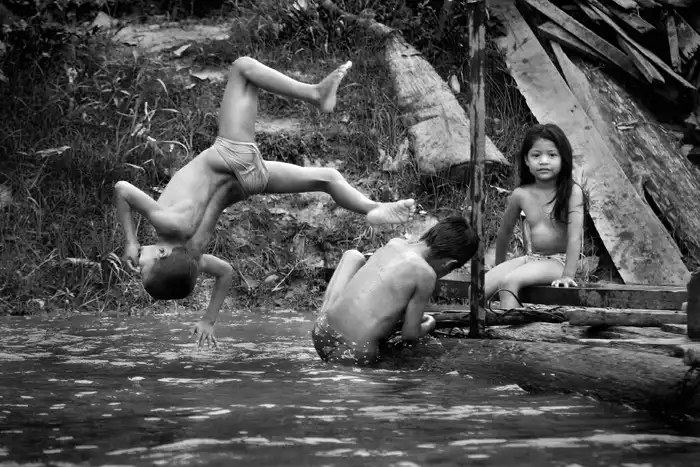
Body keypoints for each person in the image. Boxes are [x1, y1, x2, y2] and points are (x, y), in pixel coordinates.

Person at [114, 57, 417, 348]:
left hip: (247, 182)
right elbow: (123, 188)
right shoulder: (167, 224)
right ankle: (315, 93)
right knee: (242, 67)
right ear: (163, 253)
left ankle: (371, 207)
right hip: (231, 156)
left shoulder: (193, 256)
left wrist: (209, 319)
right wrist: (130, 241)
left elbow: (225, 273)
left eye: (139, 269)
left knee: (327, 178)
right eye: (143, 267)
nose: (137, 262)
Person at [311, 216, 479, 366]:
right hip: (353, 352)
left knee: (354, 256)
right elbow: (410, 334)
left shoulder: (395, 243)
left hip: (322, 332)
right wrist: (430, 323)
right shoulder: (426, 275)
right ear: (449, 264)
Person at [484, 123, 587, 310]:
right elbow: (505, 233)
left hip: (560, 261)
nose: (544, 161)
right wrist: (499, 265)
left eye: (552, 155)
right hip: (532, 258)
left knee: (508, 282)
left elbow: (574, 237)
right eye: (536, 155)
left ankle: (510, 328)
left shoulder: (572, 192)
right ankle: (483, 324)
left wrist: (567, 275)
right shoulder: (521, 194)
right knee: (478, 288)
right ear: (526, 160)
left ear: (563, 159)